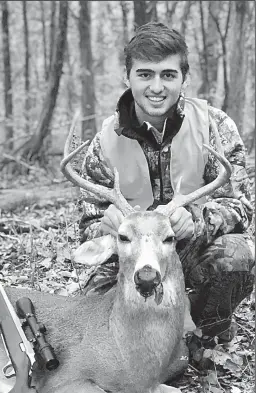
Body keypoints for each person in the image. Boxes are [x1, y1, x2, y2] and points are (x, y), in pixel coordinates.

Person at [78, 22, 255, 344]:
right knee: (92, 320)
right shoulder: (104, 141)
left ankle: (205, 333)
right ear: (127, 77)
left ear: (183, 78)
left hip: (190, 250)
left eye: (168, 75)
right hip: (131, 258)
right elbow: (89, 222)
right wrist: (105, 225)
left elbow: (240, 207)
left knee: (236, 255)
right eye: (145, 74)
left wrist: (200, 220)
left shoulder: (215, 127)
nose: (156, 87)